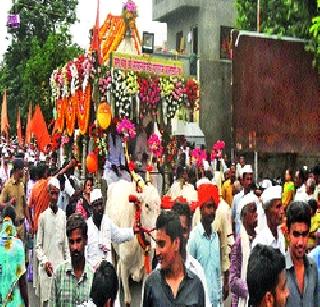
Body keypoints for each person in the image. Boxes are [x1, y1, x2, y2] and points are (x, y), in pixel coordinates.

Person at [142, 211, 205, 306]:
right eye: (157, 244)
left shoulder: (196, 285)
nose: (157, 252)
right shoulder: (151, 284)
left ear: (176, 243)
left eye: (162, 244)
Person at [36, 177, 69, 307]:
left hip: (60, 269)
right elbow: (38, 247)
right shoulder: (43, 217)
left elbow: (66, 245)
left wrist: (68, 265)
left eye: (57, 193)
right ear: (48, 194)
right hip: (46, 270)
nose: (54, 197)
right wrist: (45, 262)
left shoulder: (63, 216)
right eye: (52, 193)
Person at [171, 202, 210, 306]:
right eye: (176, 230)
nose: (179, 236)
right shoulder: (156, 277)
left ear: (189, 230)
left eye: (183, 230)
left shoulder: (198, 272)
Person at [188, 183, 222, 306]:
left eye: (214, 207)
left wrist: (219, 299)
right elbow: (189, 273)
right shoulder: (194, 237)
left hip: (215, 301)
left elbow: (217, 272)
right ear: (201, 208)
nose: (212, 211)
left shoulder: (215, 237)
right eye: (208, 206)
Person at [50, 213, 94, 306]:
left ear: (85, 240)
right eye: (71, 242)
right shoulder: (58, 274)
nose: (75, 247)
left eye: (78, 241)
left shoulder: (93, 276)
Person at [87, 189, 135, 269]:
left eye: (101, 204)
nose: (99, 208)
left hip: (107, 272)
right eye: (96, 205)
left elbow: (118, 235)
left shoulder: (107, 222)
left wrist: (133, 231)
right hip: (93, 274)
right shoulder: (87, 226)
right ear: (92, 208)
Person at [285, 201, 318, 306]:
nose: (300, 242)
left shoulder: (313, 268)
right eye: (296, 234)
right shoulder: (278, 270)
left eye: (304, 234)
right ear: (287, 234)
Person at [230, 192, 258, 307]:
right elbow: (233, 280)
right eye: (252, 211)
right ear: (244, 216)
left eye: (256, 210)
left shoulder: (259, 239)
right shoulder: (239, 242)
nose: (256, 214)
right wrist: (251, 291)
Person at [0, 205, 29, 307]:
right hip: (15, 303)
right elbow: (22, 283)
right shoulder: (18, 246)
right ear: (14, 221)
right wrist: (27, 304)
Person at [0, 158, 31, 240]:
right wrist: (9, 203)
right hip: (10, 227)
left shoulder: (22, 184)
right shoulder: (7, 185)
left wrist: (30, 223)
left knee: (21, 251)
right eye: (23, 169)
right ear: (17, 169)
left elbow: (25, 205)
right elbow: (0, 204)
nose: (24, 172)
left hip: (21, 227)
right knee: (10, 251)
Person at [253, 185, 285, 254]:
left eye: (281, 206)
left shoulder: (280, 236)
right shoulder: (260, 243)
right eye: (278, 207)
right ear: (268, 211)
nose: (282, 211)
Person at [232, 165, 259, 235]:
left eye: (250, 179)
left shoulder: (255, 199)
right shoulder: (236, 198)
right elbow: (232, 219)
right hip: (239, 238)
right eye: (247, 179)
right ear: (242, 181)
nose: (249, 182)